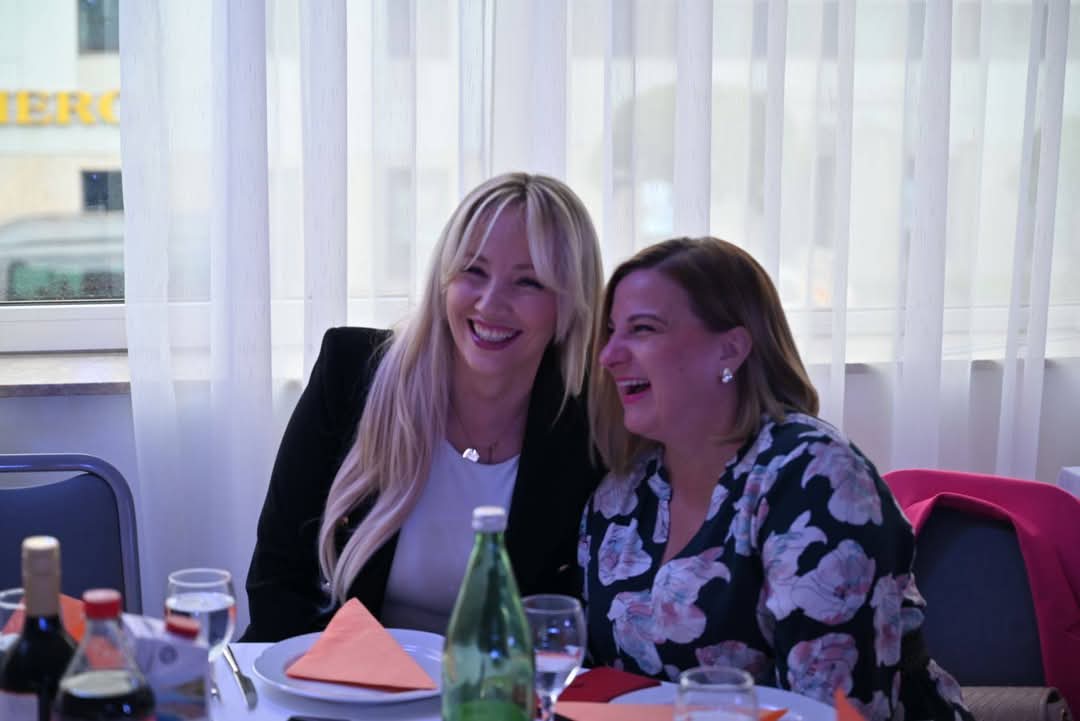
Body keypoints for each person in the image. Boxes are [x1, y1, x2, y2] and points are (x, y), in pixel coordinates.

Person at [578, 237, 972, 721]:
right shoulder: (621, 493)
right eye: (611, 331)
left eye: (642, 329)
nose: (608, 355)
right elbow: (596, 685)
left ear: (730, 350)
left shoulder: (819, 479)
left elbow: (836, 711)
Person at [242, 172, 605, 641]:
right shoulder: (350, 373)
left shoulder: (589, 429)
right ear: (442, 280)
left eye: (528, 282)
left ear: (571, 303)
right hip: (327, 674)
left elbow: (570, 622)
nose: (491, 303)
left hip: (492, 685)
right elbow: (277, 581)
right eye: (473, 271)